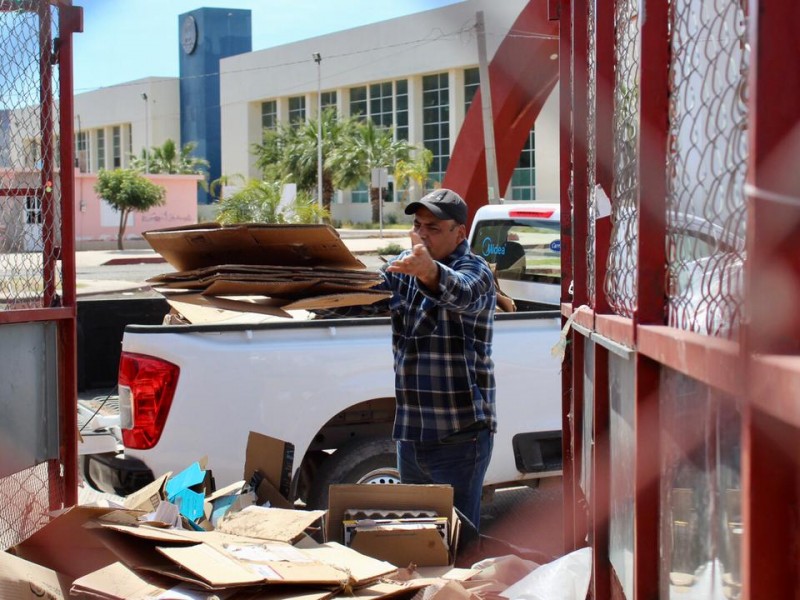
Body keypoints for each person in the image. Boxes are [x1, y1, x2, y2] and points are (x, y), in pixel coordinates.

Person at [380, 188, 497, 531]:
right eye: (418, 226)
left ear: (459, 233)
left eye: (433, 227)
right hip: (412, 434)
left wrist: (428, 272)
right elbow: (368, 294)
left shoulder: (476, 271)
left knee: (458, 542)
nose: (423, 234)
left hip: (460, 438)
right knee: (419, 537)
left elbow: (458, 291)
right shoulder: (407, 265)